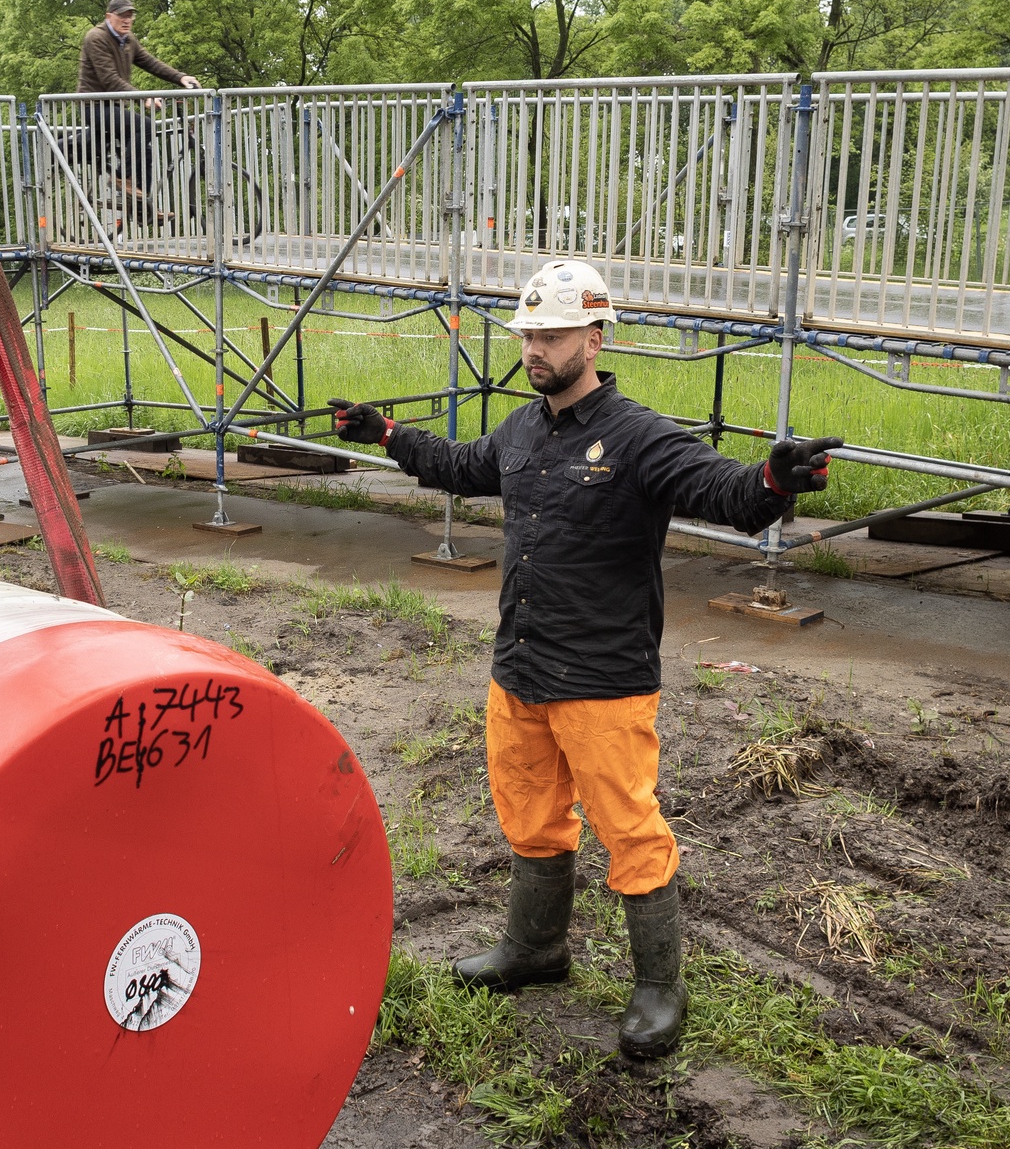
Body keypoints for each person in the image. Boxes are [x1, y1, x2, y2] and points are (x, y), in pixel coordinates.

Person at [329, 259, 844, 1059]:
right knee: (531, 818)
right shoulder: (523, 430)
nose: (536, 349)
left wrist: (774, 480)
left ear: (595, 337)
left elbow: (726, 493)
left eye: (553, 335)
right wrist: (391, 436)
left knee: (630, 830)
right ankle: (535, 950)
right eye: (529, 335)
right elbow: (461, 468)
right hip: (522, 669)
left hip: (602, 683)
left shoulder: (639, 437)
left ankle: (657, 986)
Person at [76, 0, 200, 216]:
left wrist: (180, 77)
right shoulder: (95, 38)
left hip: (112, 106)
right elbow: (110, 80)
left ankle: (144, 206)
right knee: (145, 126)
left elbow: (150, 62)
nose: (127, 20)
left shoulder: (128, 40)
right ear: (108, 17)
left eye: (130, 16)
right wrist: (143, 97)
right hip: (93, 107)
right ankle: (123, 178)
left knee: (146, 145)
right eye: (122, 15)